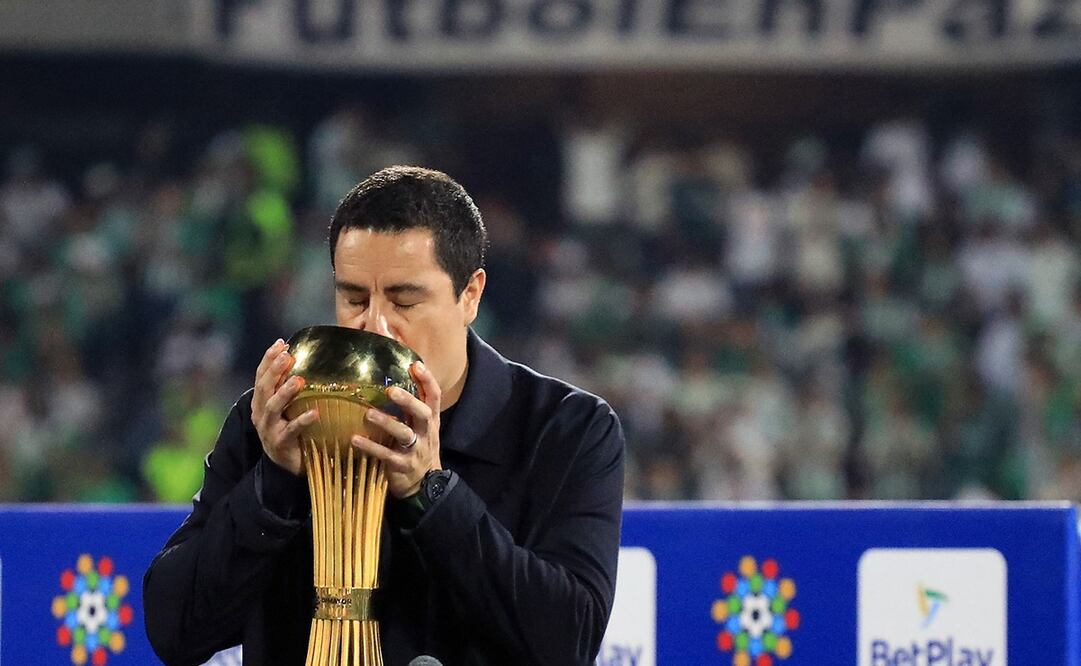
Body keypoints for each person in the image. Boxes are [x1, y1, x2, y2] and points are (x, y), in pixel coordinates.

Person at [143, 166, 626, 665]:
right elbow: (175, 632)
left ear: (471, 295)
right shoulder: (274, 419)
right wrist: (274, 483)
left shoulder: (567, 429)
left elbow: (568, 641)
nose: (374, 324)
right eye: (354, 297)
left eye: (404, 300)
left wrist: (432, 495)